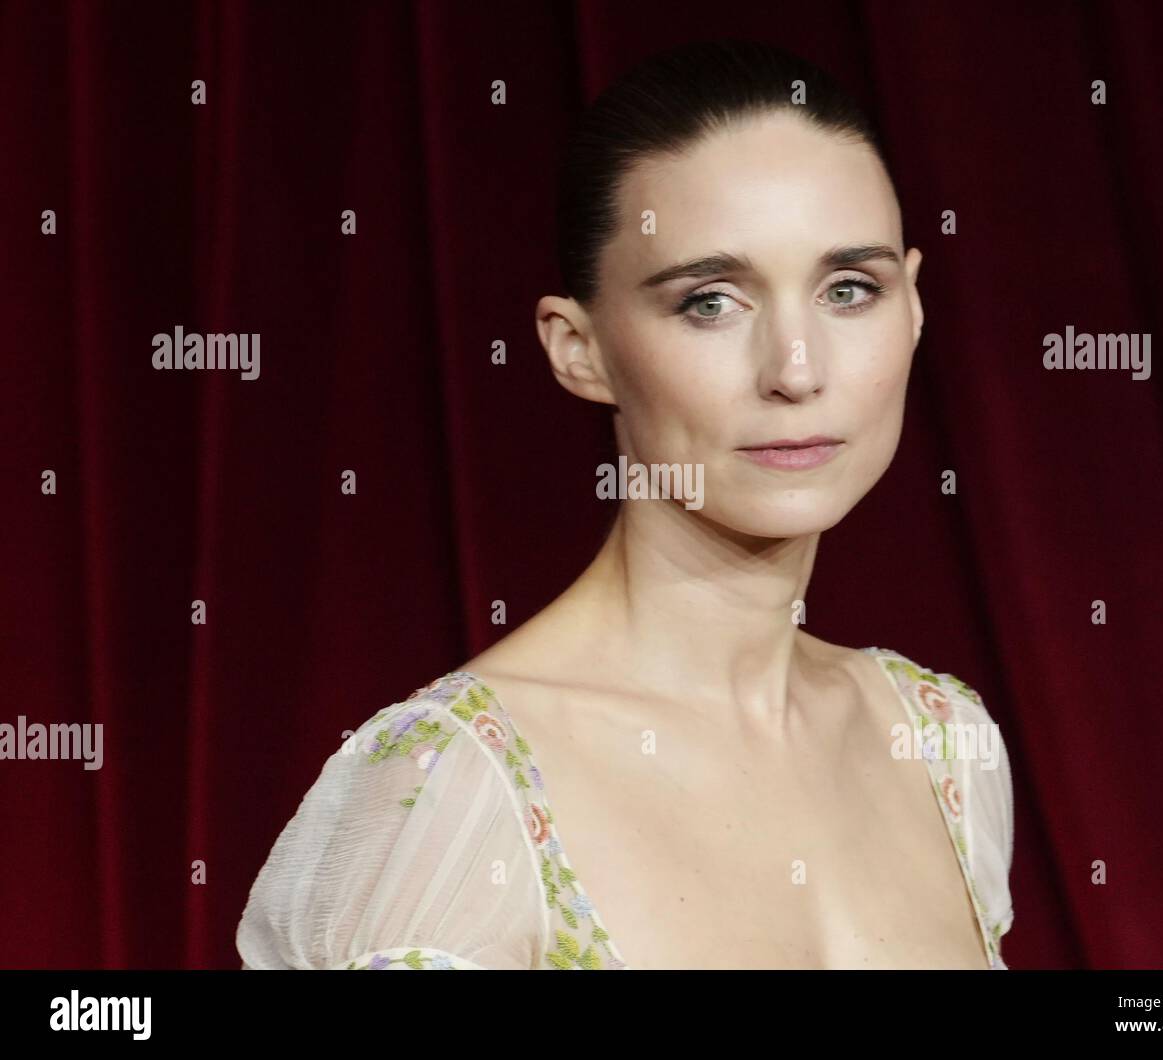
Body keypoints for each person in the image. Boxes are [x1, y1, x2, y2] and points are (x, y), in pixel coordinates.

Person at [236, 37, 1014, 971]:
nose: (797, 371)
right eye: (711, 303)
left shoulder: (941, 743)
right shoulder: (451, 794)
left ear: (915, 308)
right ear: (579, 348)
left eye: (850, 290)